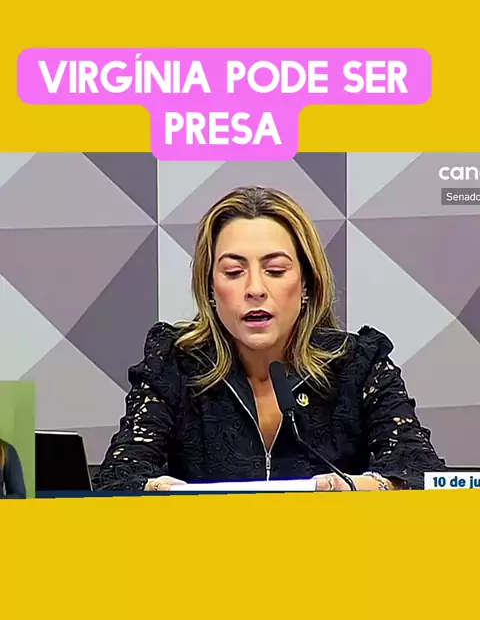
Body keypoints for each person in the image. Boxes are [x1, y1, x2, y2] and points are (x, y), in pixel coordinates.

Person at [95, 186, 445, 493]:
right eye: (234, 272)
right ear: (210, 289)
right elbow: (118, 477)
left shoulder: (359, 365)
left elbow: (420, 473)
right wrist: (161, 490)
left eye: (275, 270)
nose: (255, 289)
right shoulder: (174, 362)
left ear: (306, 283)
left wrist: (357, 488)